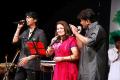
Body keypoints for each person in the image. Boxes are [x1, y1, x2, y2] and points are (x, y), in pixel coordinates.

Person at [70, 8, 108, 80]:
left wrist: (75, 33)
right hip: (85, 67)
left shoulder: (98, 28)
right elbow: (81, 47)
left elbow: (89, 42)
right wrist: (77, 34)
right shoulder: (88, 31)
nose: (80, 23)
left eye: (81, 20)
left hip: (93, 68)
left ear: (87, 21)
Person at [12, 11, 47, 80]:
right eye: (26, 17)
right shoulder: (25, 32)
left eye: (29, 17)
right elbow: (14, 41)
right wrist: (18, 28)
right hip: (21, 64)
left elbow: (42, 50)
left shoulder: (40, 32)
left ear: (35, 20)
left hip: (32, 66)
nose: (27, 19)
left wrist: (28, 58)